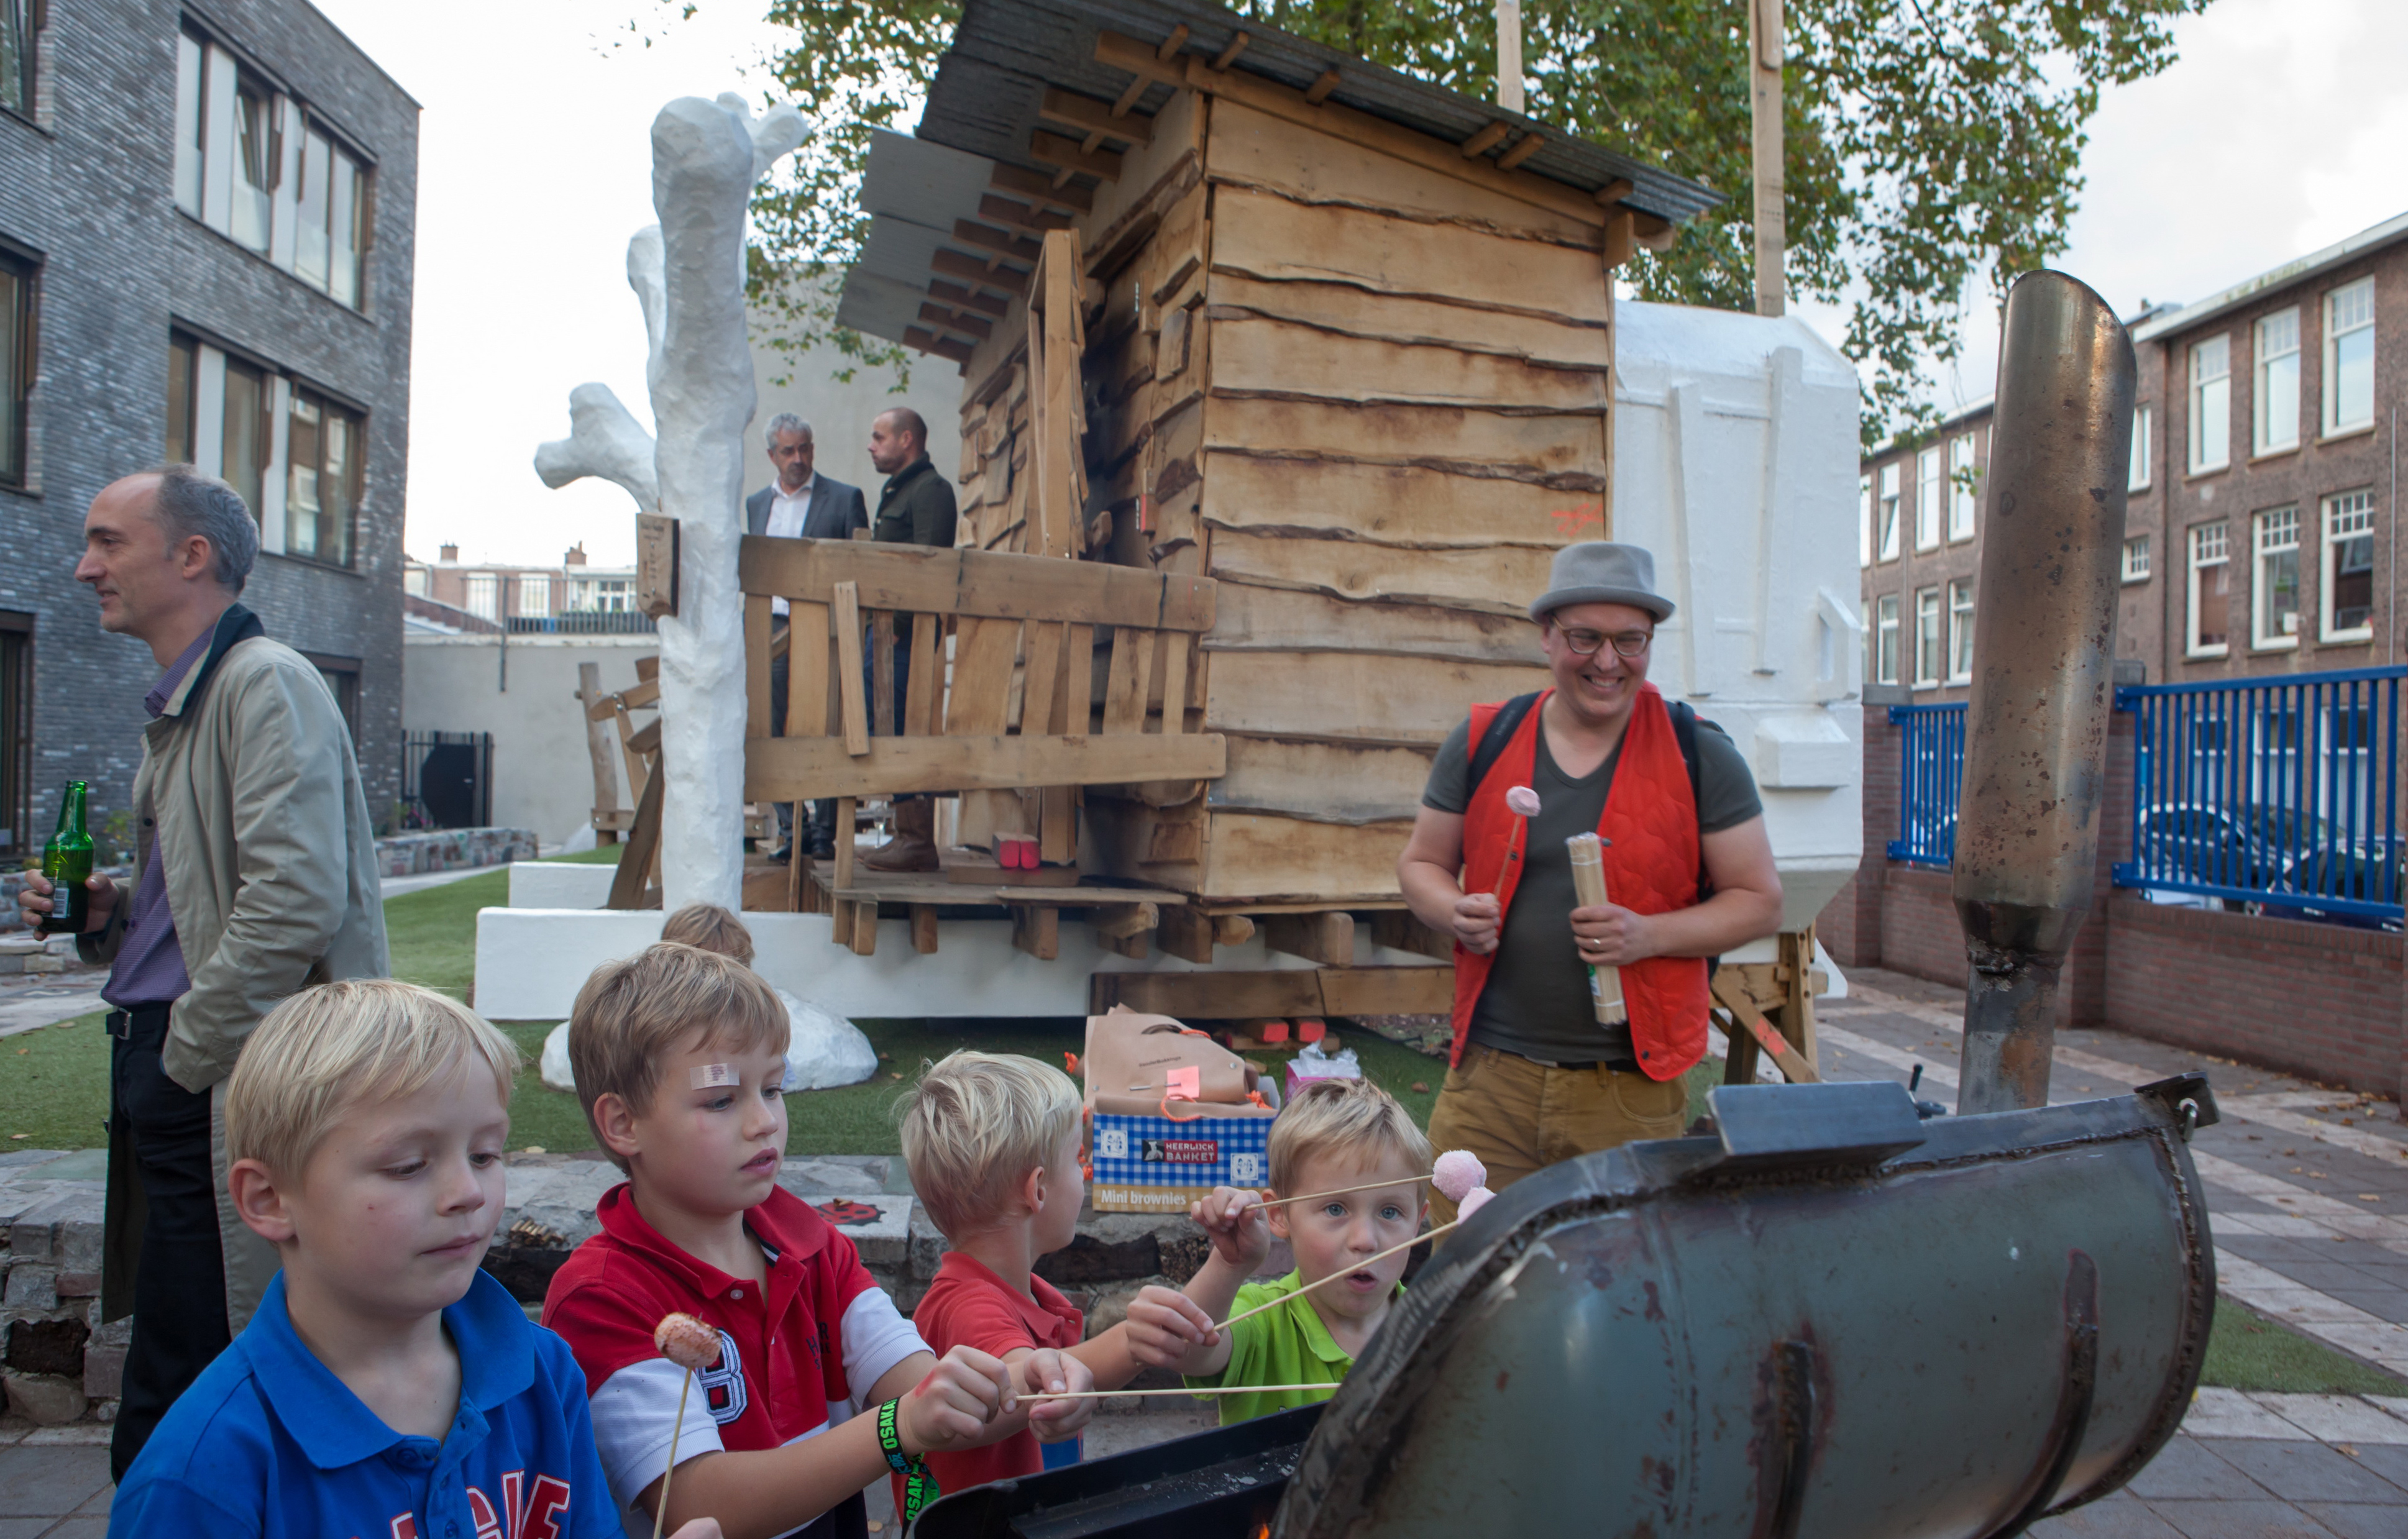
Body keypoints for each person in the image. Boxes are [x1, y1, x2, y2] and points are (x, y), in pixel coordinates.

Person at [18, 465, 387, 1479]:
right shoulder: (194, 700)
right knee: (179, 1359)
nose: (85, 566)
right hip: (187, 1065)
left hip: (221, 1073)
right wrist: (111, 915)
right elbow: (200, 905)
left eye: (108, 541)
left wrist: (183, 1056)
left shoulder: (260, 682)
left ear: (193, 555)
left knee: (194, 1377)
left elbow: (293, 901)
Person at [108, 980, 718, 1539]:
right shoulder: (203, 1474)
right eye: (407, 1165)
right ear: (269, 1199)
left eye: (484, 1154)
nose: (468, 1192)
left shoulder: (543, 1373)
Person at [542, 943, 1092, 1536]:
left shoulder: (812, 1247)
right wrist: (899, 1426)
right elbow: (698, 1502)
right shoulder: (602, 1297)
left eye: (773, 1088)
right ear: (623, 1123)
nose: (764, 1121)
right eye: (721, 1099)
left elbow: (927, 1389)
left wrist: (1037, 1378)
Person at [1396, 542, 1783, 1224]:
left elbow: (1758, 902)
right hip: (1489, 1082)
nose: (1608, 661)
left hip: (1628, 1092)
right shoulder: (1486, 737)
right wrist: (1452, 909)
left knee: (1615, 1274)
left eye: (1629, 640)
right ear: (1547, 637)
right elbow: (1420, 865)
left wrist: (1648, 934)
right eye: (1585, 638)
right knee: (1463, 1266)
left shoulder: (1698, 752)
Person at [897, 1052, 1156, 1491]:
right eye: (1077, 1159)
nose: (1085, 1174)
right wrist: (1138, 1340)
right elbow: (1021, 1376)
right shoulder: (971, 1307)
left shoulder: (1020, 1294)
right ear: (1037, 1189)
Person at [1122, 1079, 1431, 1425]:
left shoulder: (1439, 1327)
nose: (1365, 1240)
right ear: (1280, 1214)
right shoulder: (1261, 1317)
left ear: (1417, 1222)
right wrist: (1229, 1264)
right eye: (1335, 1209)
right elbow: (1188, 1351)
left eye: (1390, 1212)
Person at [746, 414, 867, 862]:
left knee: (828, 724)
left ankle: (825, 833)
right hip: (771, 626)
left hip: (826, 627)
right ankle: (792, 828)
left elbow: (861, 567)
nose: (798, 458)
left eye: (805, 448)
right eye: (788, 451)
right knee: (773, 726)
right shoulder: (757, 504)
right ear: (771, 456)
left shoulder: (845, 499)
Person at [859, 407, 958, 873]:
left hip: (906, 637)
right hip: (887, 633)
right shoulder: (901, 489)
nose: (871, 445)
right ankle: (904, 834)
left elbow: (929, 565)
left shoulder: (931, 490)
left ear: (906, 440)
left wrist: (897, 624)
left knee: (904, 728)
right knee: (887, 725)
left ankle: (917, 841)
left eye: (879, 437)